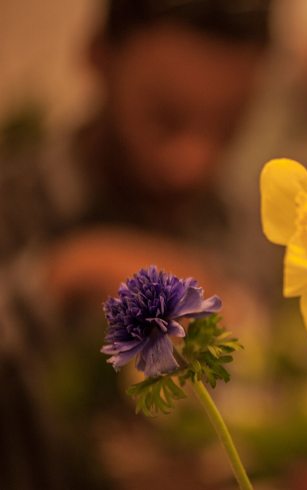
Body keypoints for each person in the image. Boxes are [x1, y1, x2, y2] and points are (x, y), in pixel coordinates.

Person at [0, 1, 270, 488]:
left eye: (229, 124)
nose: (192, 160)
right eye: (164, 118)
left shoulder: (246, 227)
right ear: (99, 59)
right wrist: (67, 270)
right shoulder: (12, 206)